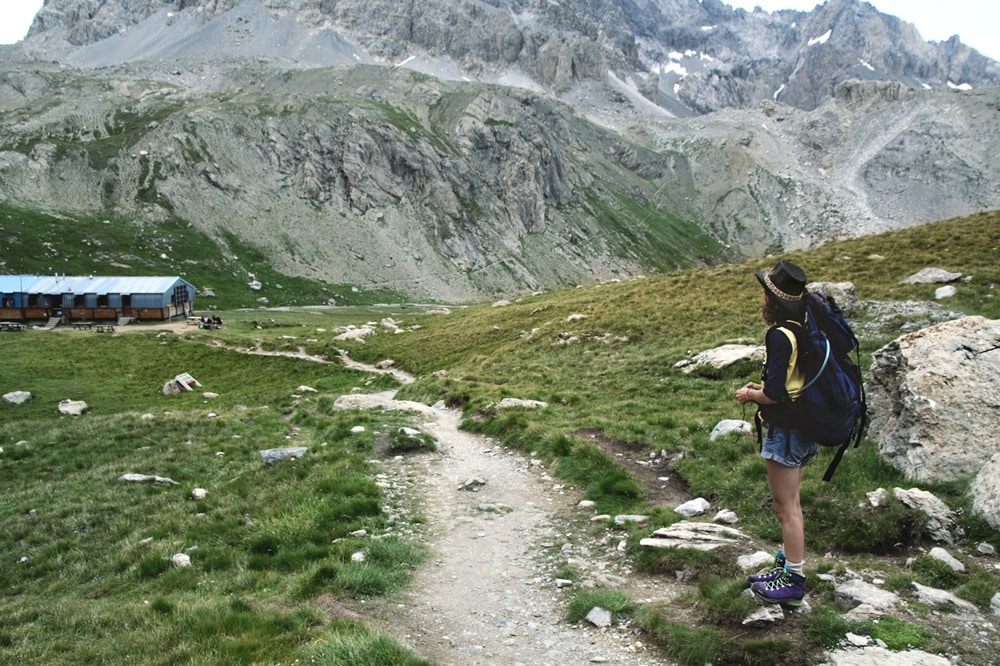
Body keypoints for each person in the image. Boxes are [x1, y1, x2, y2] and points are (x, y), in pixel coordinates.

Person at [736, 259, 816, 607]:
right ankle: (786, 564)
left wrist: (750, 395)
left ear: (774, 300)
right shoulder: (802, 326)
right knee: (793, 504)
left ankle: (793, 579)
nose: (763, 300)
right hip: (804, 424)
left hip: (786, 427)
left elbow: (774, 394)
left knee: (786, 509)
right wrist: (764, 387)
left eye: (766, 294)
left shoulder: (779, 335)